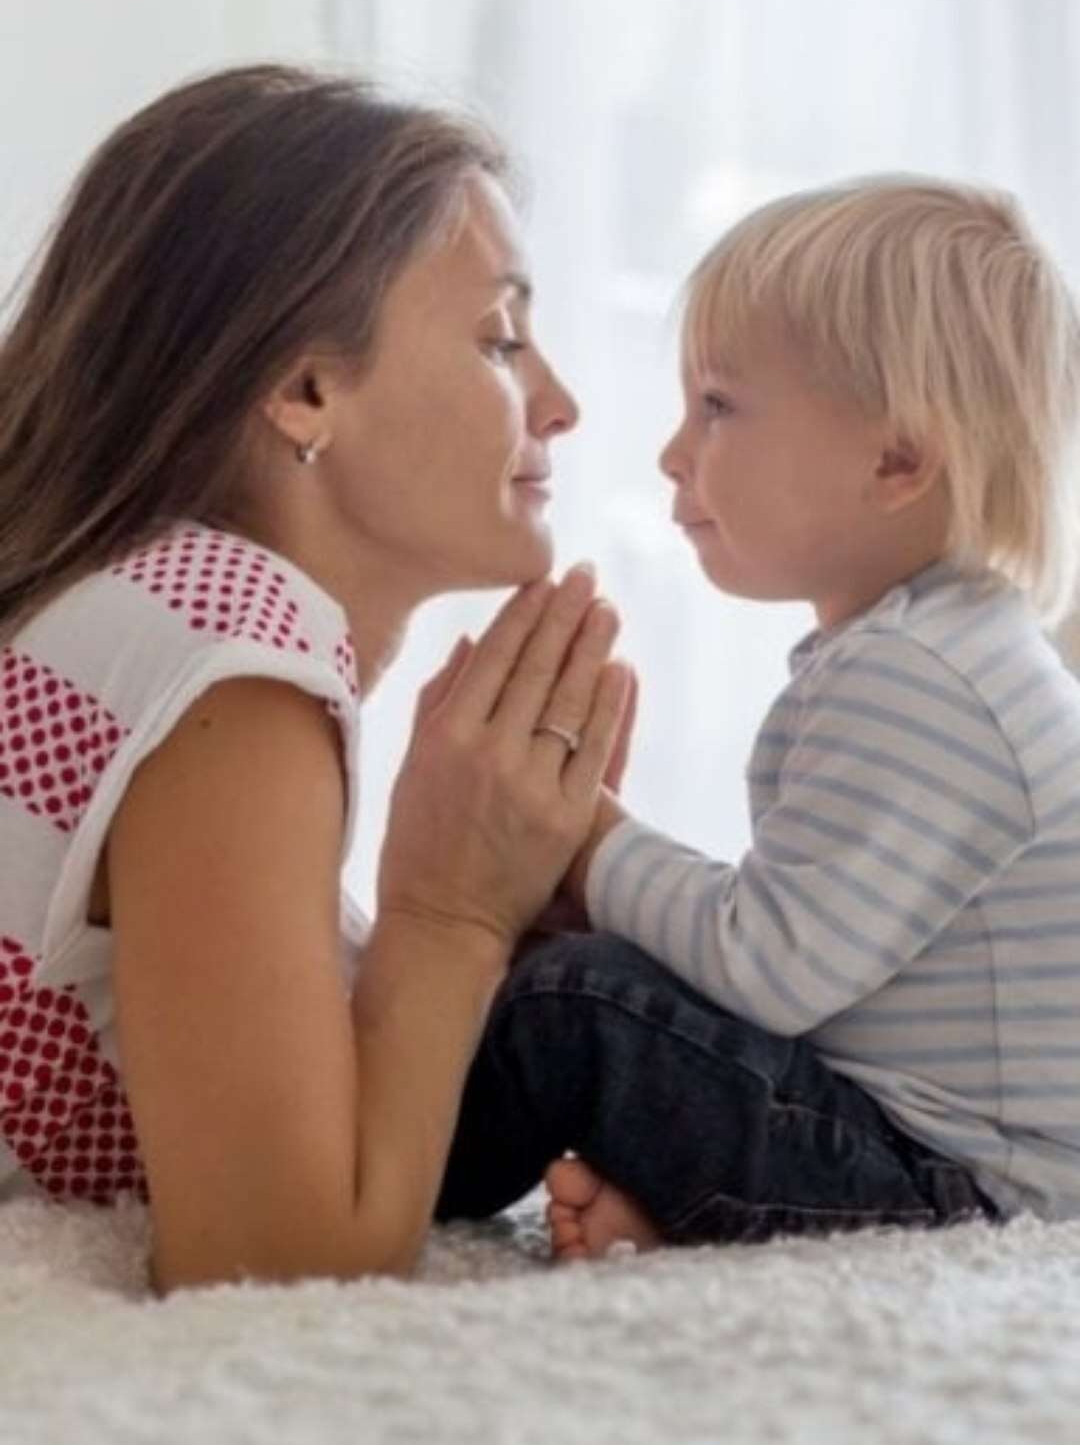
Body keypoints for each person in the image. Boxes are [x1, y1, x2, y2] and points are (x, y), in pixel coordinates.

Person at [0, 63, 632, 1290]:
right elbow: (272, 1260)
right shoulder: (230, 644)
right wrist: (447, 911)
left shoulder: (130, 610)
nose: (559, 403)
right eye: (500, 340)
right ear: (304, 390)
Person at [437, 177, 1080, 1257]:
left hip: (967, 1191)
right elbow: (804, 960)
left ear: (897, 461)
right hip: (921, 1146)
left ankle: (389, 1171)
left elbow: (770, 968)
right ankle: (693, 1210)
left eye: (718, 408)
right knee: (619, 978)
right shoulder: (947, 645)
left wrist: (592, 846)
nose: (672, 452)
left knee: (578, 998)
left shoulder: (921, 674)